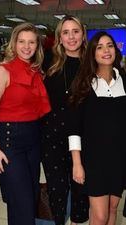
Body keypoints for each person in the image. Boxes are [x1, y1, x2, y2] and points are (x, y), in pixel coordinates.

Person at [0, 22, 51, 225]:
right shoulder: (2, 71)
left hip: (33, 141)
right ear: (14, 44)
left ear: (37, 46)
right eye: (22, 41)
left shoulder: (36, 72)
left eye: (31, 42)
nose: (27, 46)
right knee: (22, 203)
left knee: (26, 202)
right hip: (9, 142)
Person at [68, 31, 126, 225]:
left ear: (116, 50)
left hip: (119, 158)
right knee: (99, 216)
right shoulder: (83, 83)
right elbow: (74, 129)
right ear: (92, 53)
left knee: (113, 209)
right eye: (100, 47)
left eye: (110, 46)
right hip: (94, 160)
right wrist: (77, 163)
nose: (106, 51)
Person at [40, 15, 89, 225]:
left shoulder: (92, 63)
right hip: (52, 138)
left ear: (83, 34)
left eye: (75, 31)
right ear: (59, 37)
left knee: (81, 191)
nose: (71, 37)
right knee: (57, 191)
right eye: (66, 32)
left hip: (84, 137)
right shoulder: (48, 61)